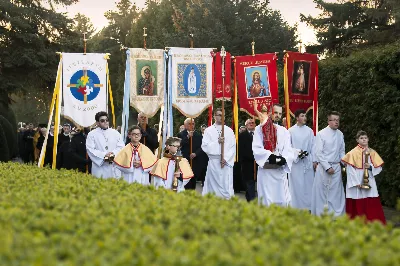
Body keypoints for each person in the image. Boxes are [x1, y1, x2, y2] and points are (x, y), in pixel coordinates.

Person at [252, 101, 294, 207]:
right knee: (267, 202)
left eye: (280, 114)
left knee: (283, 201)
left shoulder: (284, 131)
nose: (278, 115)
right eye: (276, 113)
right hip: (266, 172)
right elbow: (257, 147)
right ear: (270, 112)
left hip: (280, 172)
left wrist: (283, 159)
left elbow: (288, 149)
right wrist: (270, 156)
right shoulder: (259, 128)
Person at [341, 131, 386, 224]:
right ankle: (358, 222)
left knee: (370, 198)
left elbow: (379, 168)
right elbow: (349, 168)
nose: (364, 139)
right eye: (361, 138)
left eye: (365, 138)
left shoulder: (372, 152)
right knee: (357, 200)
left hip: (369, 179)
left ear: (368, 139)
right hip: (357, 180)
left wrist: (370, 167)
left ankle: (372, 221)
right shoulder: (352, 153)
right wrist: (356, 183)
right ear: (357, 140)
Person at [311, 111, 345, 217]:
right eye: (334, 120)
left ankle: (336, 215)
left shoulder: (340, 134)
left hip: (336, 167)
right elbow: (319, 153)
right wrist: (327, 167)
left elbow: (342, 151)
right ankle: (321, 214)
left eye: (338, 120)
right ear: (328, 121)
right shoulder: (321, 134)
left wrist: (345, 163)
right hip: (324, 167)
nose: (336, 122)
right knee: (322, 193)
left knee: (336, 193)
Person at [201, 108, 236, 199]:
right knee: (213, 188)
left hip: (225, 163)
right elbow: (204, 146)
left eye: (223, 115)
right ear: (214, 116)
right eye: (219, 115)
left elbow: (233, 147)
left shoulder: (229, 131)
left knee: (226, 186)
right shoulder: (208, 130)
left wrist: (225, 158)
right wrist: (217, 142)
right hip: (214, 162)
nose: (221, 117)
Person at [288, 109, 316, 210]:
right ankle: (296, 206)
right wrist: (297, 153)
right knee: (297, 184)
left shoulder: (309, 131)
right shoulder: (290, 131)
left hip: (307, 161)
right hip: (296, 163)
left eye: (305, 115)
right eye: (302, 115)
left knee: (308, 184)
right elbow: (288, 146)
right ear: (297, 118)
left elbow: (313, 146)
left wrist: (314, 160)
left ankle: (309, 206)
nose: (305, 118)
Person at [86, 111, 125, 178]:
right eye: (102, 120)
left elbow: (121, 147)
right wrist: (104, 155)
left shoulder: (115, 133)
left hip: (113, 166)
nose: (105, 122)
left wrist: (112, 154)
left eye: (107, 120)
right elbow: (90, 150)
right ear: (97, 123)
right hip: (99, 168)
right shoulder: (91, 134)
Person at [177, 118, 207, 190]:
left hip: (195, 162)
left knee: (193, 182)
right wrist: (187, 137)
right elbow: (179, 144)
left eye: (193, 124)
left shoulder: (198, 135)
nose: (192, 125)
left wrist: (196, 154)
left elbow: (202, 147)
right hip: (185, 161)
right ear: (185, 125)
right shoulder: (181, 134)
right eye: (189, 124)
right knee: (185, 182)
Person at [239, 118, 257, 201]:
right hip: (247, 164)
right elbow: (241, 150)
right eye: (249, 123)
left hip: (258, 164)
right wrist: (253, 157)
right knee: (249, 184)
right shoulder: (241, 136)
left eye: (253, 123)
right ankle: (251, 202)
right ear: (246, 125)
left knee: (255, 184)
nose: (251, 124)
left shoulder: (259, 135)